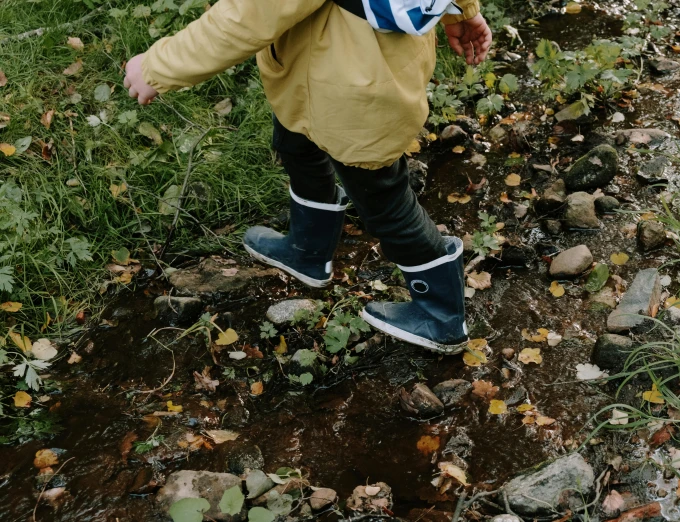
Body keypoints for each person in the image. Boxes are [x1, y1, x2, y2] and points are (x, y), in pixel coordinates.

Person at [124, 0, 492, 354]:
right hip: (331, 64)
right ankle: (307, 251)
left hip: (354, 82)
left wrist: (159, 66)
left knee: (383, 198)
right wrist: (462, 10)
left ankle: (441, 316)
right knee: (296, 144)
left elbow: (249, 14)